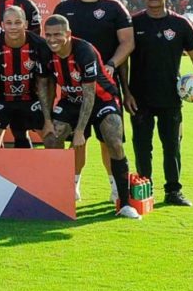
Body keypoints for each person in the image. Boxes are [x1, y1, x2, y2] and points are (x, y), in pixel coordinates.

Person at [124, 0, 193, 206]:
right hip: (140, 98)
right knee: (142, 146)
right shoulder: (133, 23)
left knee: (172, 146)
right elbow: (122, 61)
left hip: (171, 97)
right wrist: (126, 92)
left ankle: (173, 191)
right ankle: (144, 189)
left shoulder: (180, 24)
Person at [43, 14, 141, 219]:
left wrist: (80, 131)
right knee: (52, 138)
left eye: (57, 34)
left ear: (68, 34)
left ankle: (124, 202)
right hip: (71, 100)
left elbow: (89, 94)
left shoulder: (84, 51)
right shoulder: (45, 51)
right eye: (48, 34)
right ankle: (58, 196)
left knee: (113, 140)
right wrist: (47, 120)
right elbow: (46, 84)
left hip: (101, 100)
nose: (52, 39)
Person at [53, 0, 134, 202]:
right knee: (77, 139)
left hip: (103, 87)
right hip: (73, 90)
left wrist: (110, 64)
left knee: (109, 138)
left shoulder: (114, 8)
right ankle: (72, 186)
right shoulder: (64, 7)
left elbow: (128, 42)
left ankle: (115, 187)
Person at [0, 5, 55, 148]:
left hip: (31, 99)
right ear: (2, 25)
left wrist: (47, 118)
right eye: (9, 23)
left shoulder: (40, 45)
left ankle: (50, 169)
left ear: (26, 24)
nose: (13, 27)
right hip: (2, 100)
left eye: (18, 22)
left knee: (51, 138)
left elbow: (45, 82)